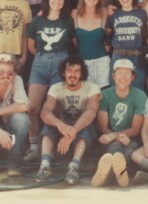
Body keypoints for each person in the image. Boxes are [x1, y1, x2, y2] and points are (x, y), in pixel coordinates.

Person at [25, 0, 77, 163]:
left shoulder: (68, 21)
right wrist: (42, 56)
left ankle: (53, 146)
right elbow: (31, 45)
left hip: (59, 63)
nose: (57, 1)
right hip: (39, 63)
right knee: (32, 107)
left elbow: (74, 43)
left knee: (55, 108)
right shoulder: (37, 21)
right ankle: (34, 147)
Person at [34, 55, 101, 185]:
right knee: (49, 126)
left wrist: (72, 132)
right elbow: (44, 112)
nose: (72, 75)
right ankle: (45, 165)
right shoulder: (56, 88)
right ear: (63, 73)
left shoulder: (92, 88)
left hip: (80, 131)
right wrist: (60, 125)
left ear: (82, 74)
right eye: (69, 71)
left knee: (87, 127)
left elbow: (91, 112)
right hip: (62, 131)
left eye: (77, 71)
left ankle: (74, 167)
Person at [91, 59, 146, 188]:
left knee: (128, 152)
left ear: (133, 77)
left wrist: (117, 136)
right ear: (113, 76)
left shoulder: (140, 95)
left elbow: (135, 129)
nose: (123, 77)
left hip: (131, 138)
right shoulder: (104, 95)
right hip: (109, 137)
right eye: (119, 73)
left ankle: (106, 175)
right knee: (114, 148)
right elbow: (103, 127)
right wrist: (114, 137)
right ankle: (120, 174)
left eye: (127, 73)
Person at [105, 0, 148, 91]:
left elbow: (146, 34)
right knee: (116, 90)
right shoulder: (113, 14)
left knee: (137, 90)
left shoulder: (142, 13)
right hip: (118, 55)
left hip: (137, 56)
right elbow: (107, 33)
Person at [72, 0, 111, 89]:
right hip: (82, 63)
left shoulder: (105, 12)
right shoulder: (74, 13)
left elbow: (112, 30)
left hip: (102, 64)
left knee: (102, 98)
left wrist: (109, 44)